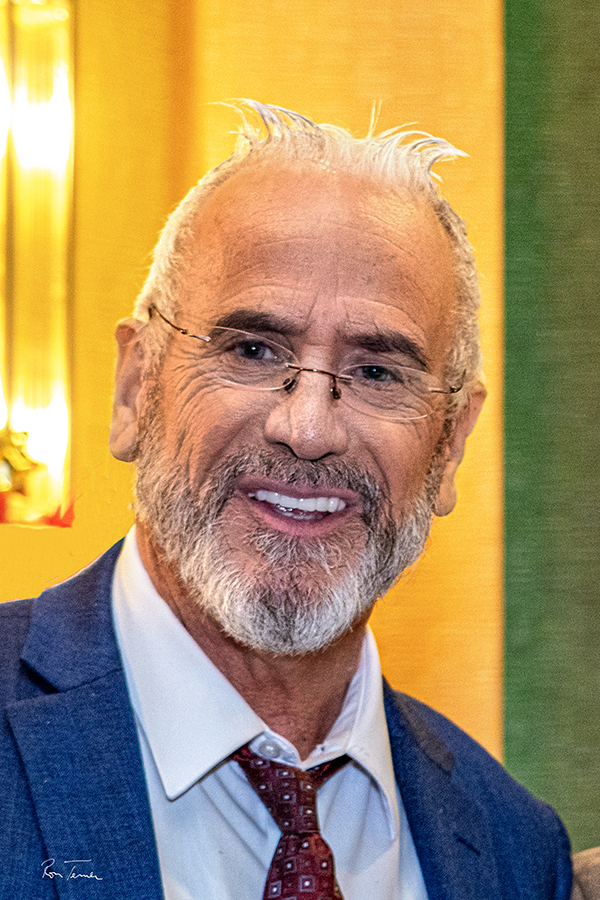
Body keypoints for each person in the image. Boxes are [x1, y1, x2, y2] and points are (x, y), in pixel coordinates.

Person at [0, 101, 572, 899]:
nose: (306, 429)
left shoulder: (516, 852)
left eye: (377, 372)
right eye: (253, 349)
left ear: (450, 445)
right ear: (135, 388)